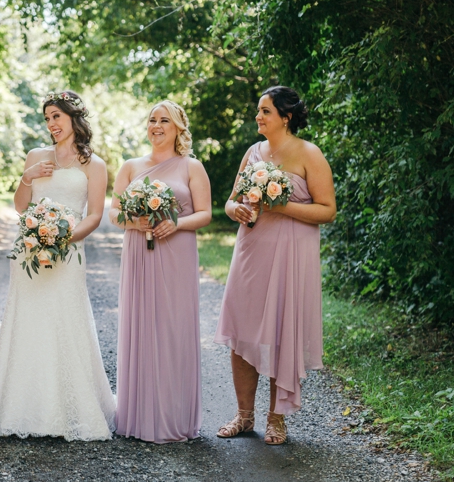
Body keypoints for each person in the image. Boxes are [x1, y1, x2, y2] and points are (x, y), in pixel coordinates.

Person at [0, 91, 115, 441]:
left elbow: (96, 215)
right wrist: (29, 176)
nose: (52, 124)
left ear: (74, 118)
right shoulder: (37, 156)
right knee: (29, 322)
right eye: (47, 118)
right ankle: (23, 408)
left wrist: (62, 239)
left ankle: (67, 410)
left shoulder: (94, 165)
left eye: (57, 116)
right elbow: (22, 207)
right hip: (29, 253)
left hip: (68, 252)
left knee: (65, 320)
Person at [214, 86, 336, 445]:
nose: (258, 116)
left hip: (291, 254)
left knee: (280, 333)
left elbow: (327, 210)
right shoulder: (253, 153)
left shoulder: (309, 154)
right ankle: (244, 416)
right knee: (240, 330)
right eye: (258, 110)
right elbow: (231, 200)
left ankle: (276, 419)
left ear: (286, 117)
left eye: (265, 111)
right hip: (251, 249)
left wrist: (282, 207)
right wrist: (233, 209)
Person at [108, 100, 212, 443]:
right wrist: (135, 222)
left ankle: (174, 416)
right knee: (142, 325)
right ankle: (139, 416)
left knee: (173, 329)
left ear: (178, 128)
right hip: (139, 252)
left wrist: (176, 223)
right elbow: (115, 214)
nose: (156, 125)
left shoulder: (191, 166)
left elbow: (206, 214)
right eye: (152, 119)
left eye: (164, 120)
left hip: (176, 251)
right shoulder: (130, 166)